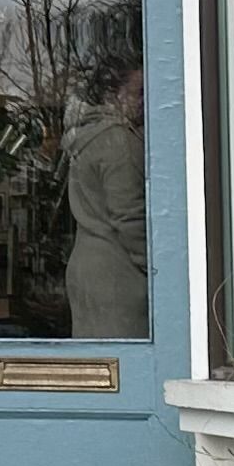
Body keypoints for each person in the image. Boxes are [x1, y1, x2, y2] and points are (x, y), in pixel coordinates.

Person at [61, 62, 150, 338]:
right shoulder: (119, 142)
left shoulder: (86, 137)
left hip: (88, 266)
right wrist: (159, 268)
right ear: (114, 95)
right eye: (139, 92)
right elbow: (130, 216)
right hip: (118, 275)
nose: (145, 102)